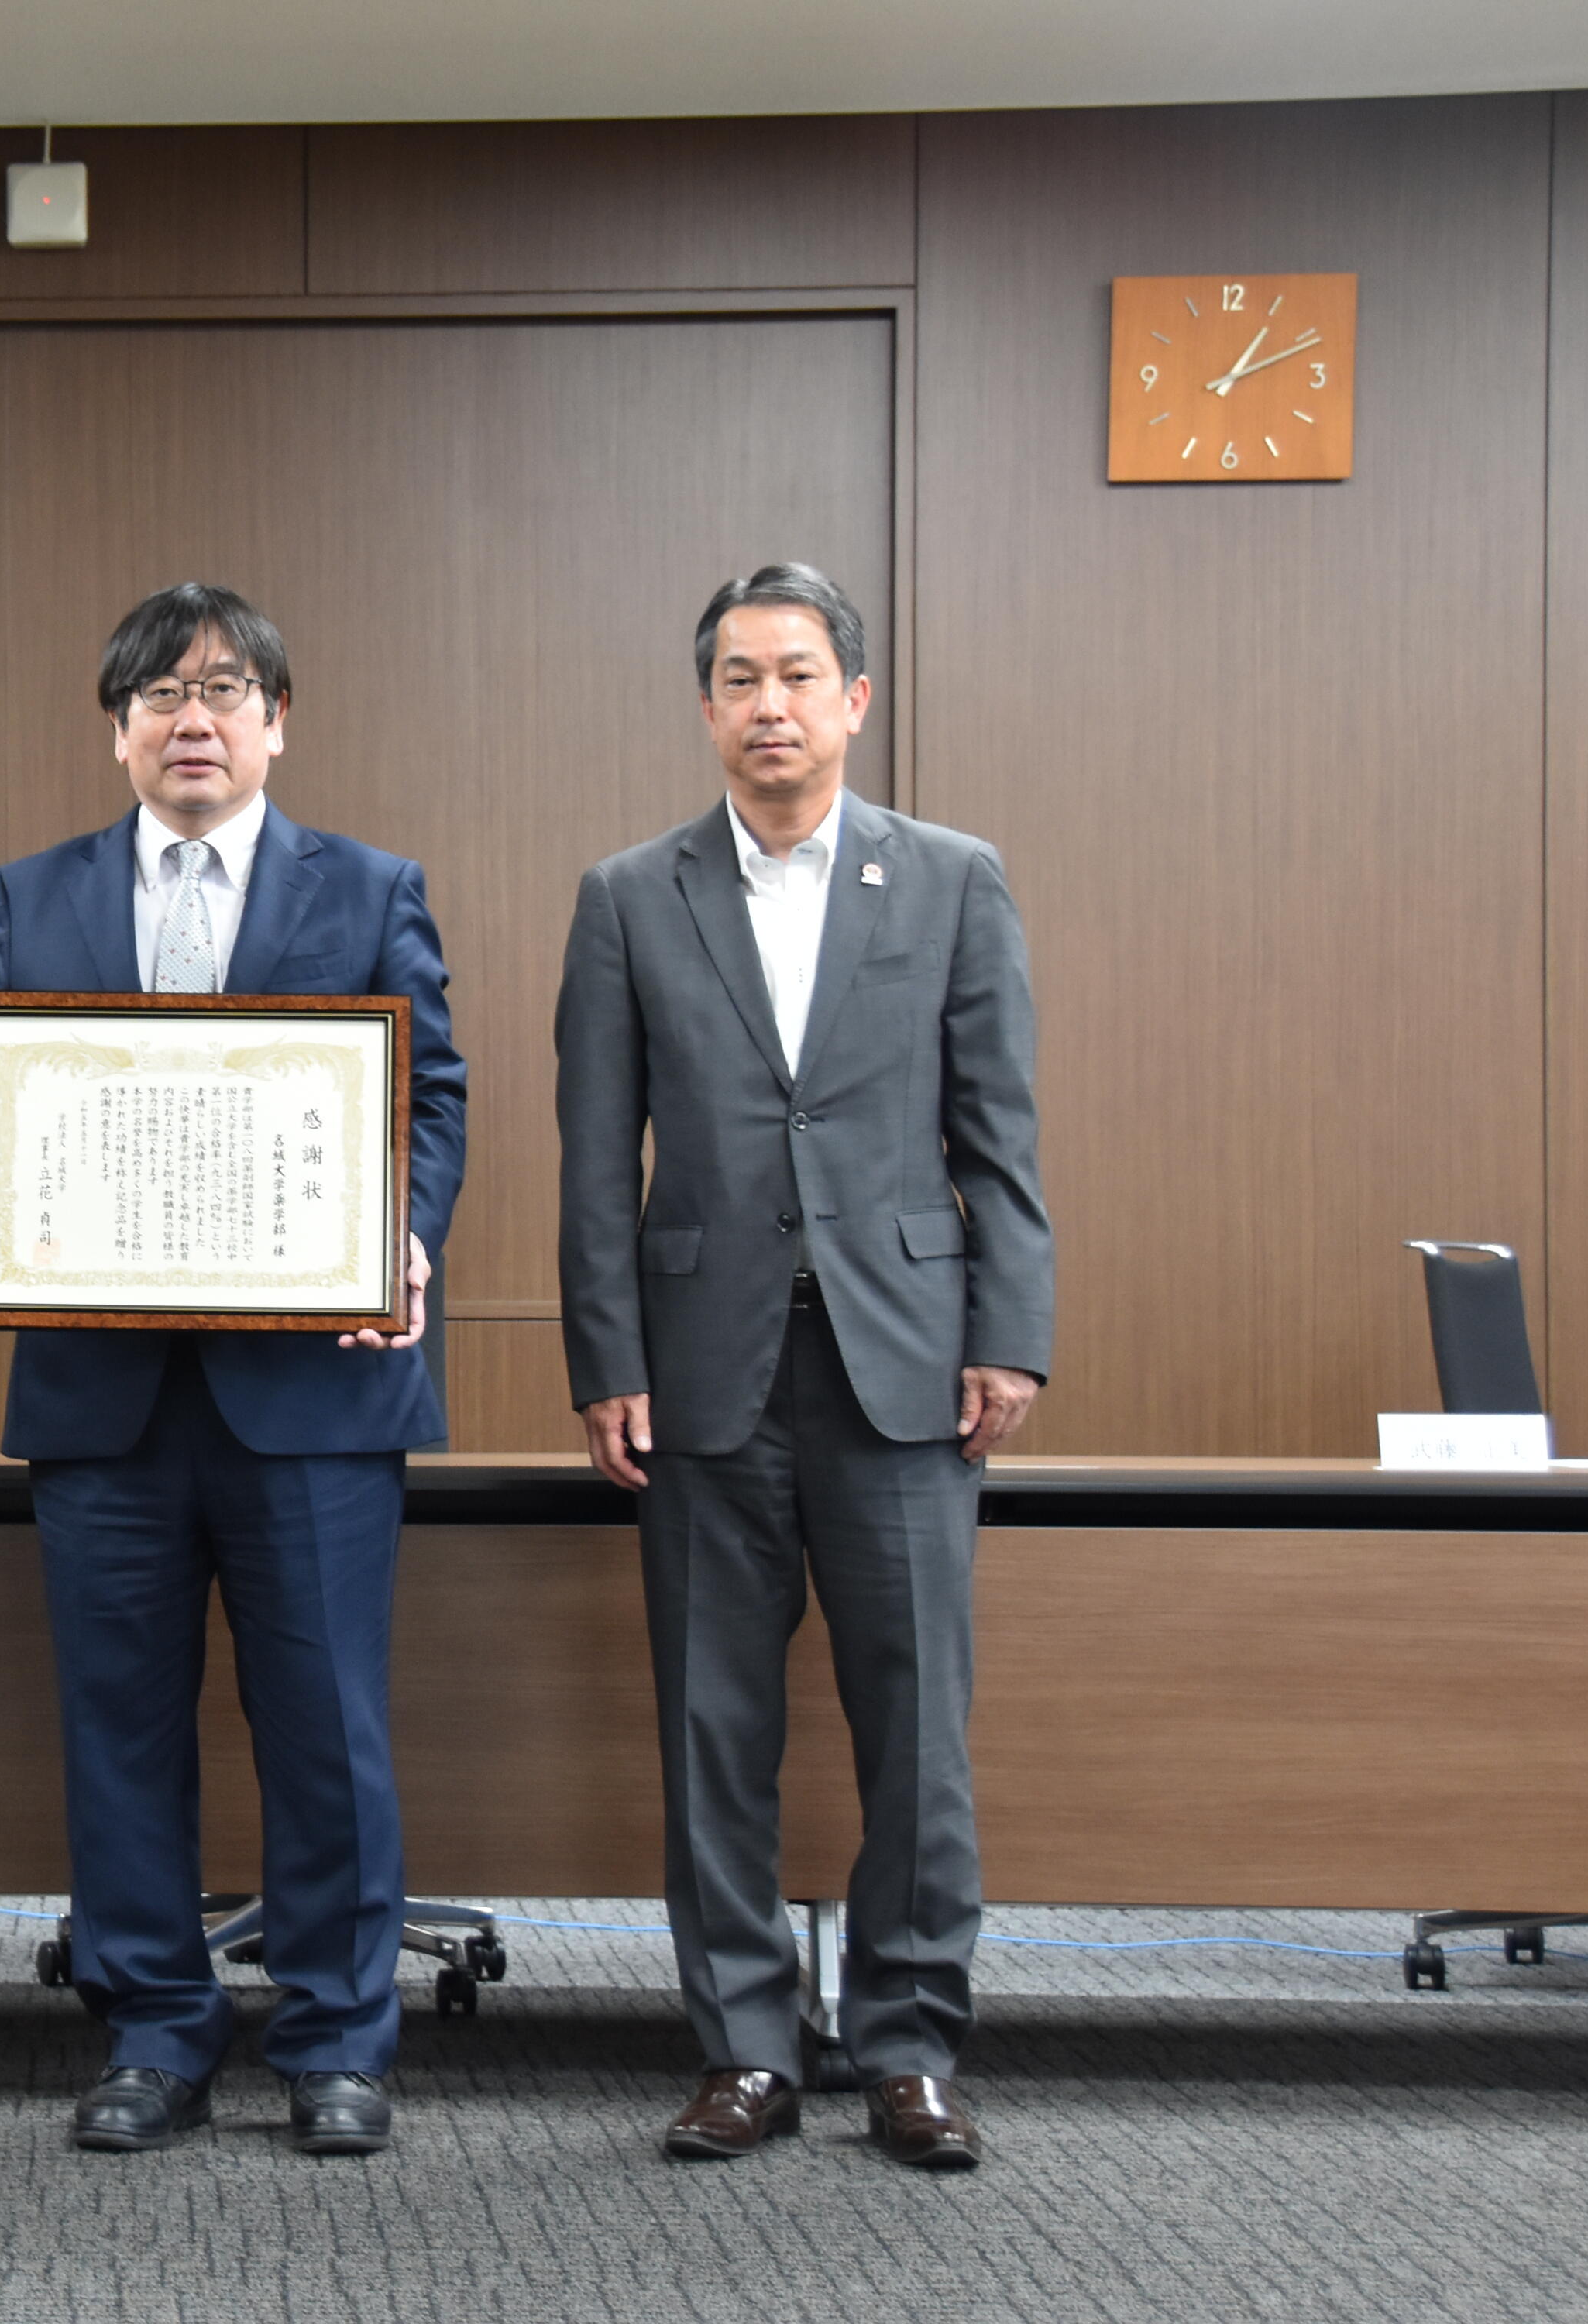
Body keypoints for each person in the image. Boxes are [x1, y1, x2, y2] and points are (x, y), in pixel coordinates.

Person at [0, 583, 464, 2156]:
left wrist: (404, 1237)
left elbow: (428, 1104)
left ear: (276, 722)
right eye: (159, 694)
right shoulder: (38, 891)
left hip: (315, 1396)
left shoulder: (368, 889)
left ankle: (340, 2039)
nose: (192, 718)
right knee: (119, 1727)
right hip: (106, 1402)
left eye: (224, 689)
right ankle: (154, 2027)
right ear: (118, 731)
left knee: (327, 1731)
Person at [553, 563, 1050, 2171]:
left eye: (797, 674)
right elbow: (590, 1157)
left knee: (918, 1733)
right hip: (699, 1374)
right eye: (738, 679)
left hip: (902, 1370)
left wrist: (1009, 1329)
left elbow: (1001, 1136)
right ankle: (744, 2050)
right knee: (713, 1727)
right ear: (705, 707)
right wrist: (603, 1355)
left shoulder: (953, 880)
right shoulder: (629, 895)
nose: (769, 705)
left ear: (854, 698)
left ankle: (909, 2047)